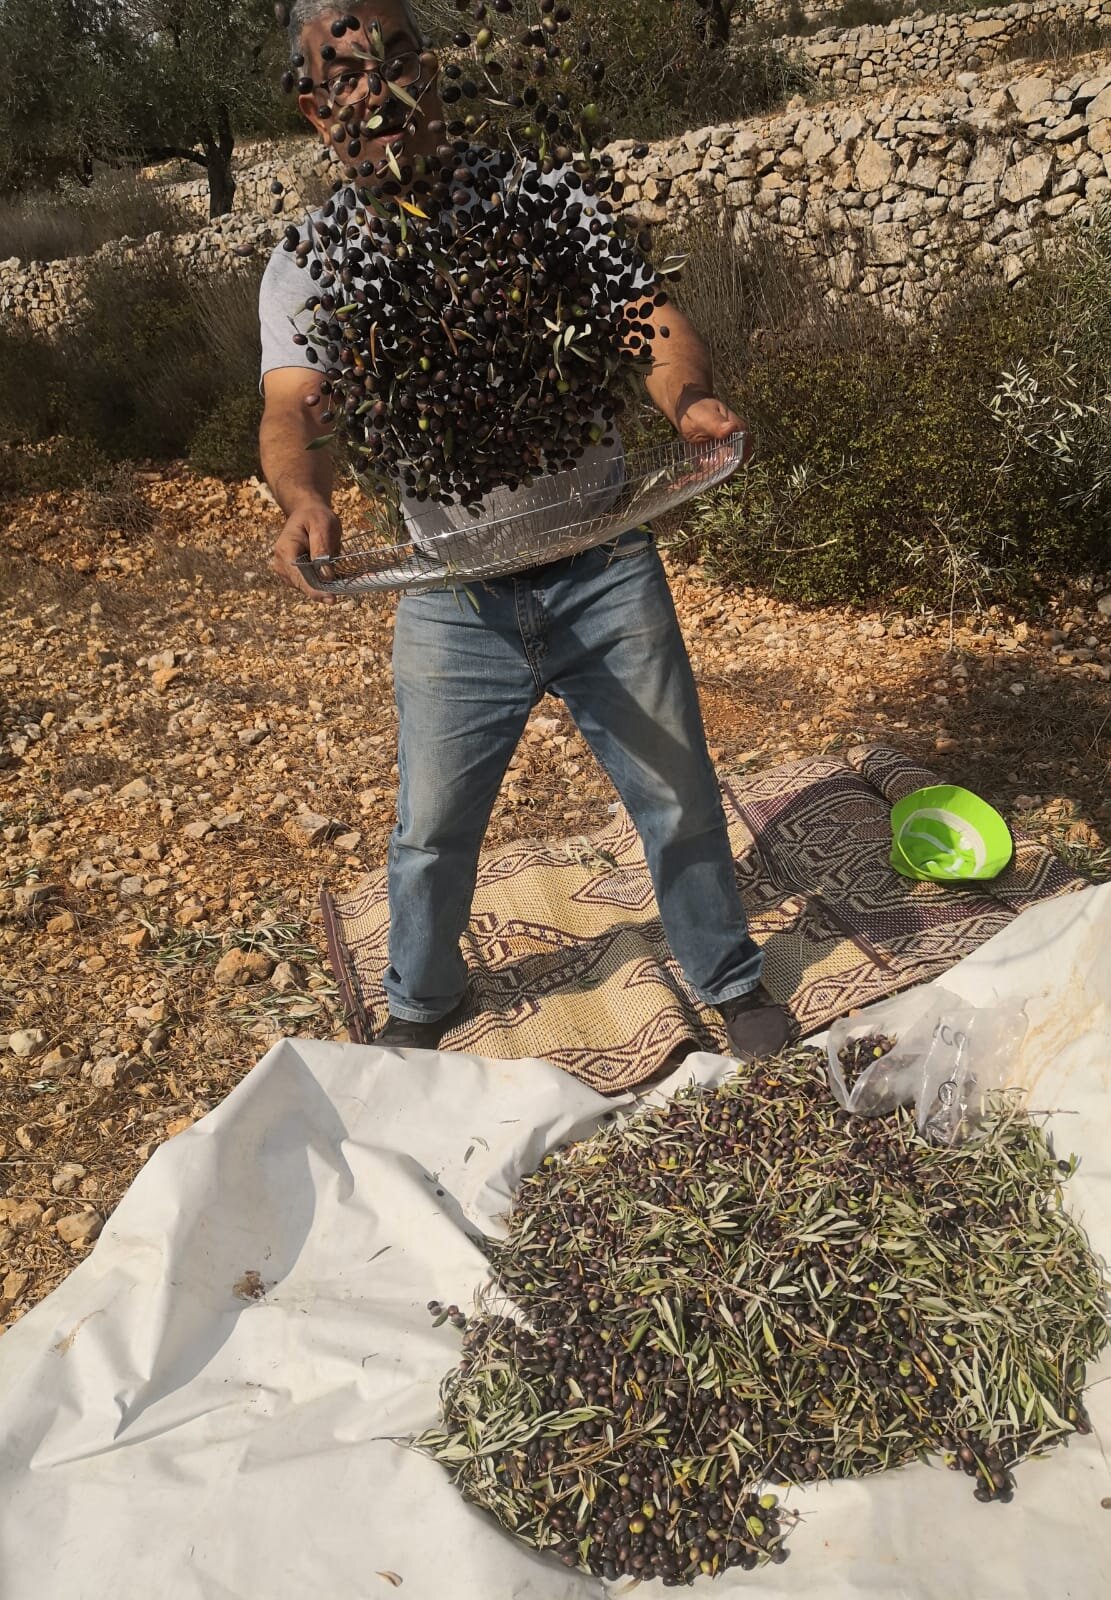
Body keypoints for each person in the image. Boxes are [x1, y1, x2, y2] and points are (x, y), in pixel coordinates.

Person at [259, 0, 792, 1060]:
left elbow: (649, 323)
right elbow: (290, 411)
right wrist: (306, 500)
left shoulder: (539, 198)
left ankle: (729, 979)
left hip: (600, 560)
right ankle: (422, 1002)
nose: (382, 93)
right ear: (318, 111)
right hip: (456, 596)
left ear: (437, 75)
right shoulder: (313, 260)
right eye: (352, 77)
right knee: (431, 831)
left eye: (399, 62)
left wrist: (687, 404)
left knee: (678, 789)